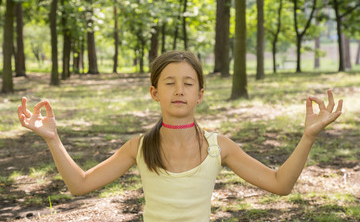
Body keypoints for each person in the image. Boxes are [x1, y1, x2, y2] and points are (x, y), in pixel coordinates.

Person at [17, 51, 343, 222]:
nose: (178, 90)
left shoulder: (220, 147)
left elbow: (280, 185)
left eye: (188, 83)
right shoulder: (140, 147)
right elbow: (80, 185)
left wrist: (308, 137)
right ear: (154, 92)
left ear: (200, 94)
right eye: (169, 82)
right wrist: (52, 139)